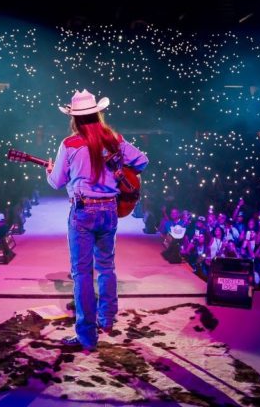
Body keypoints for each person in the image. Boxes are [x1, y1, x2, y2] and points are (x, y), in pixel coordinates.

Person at [46, 89, 149, 351]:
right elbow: (143, 161)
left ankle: (87, 337)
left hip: (83, 211)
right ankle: (107, 319)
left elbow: (57, 181)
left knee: (82, 273)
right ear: (97, 114)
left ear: (75, 118)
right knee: (106, 267)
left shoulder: (69, 144)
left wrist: (50, 171)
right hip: (109, 211)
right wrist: (120, 171)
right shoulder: (114, 139)